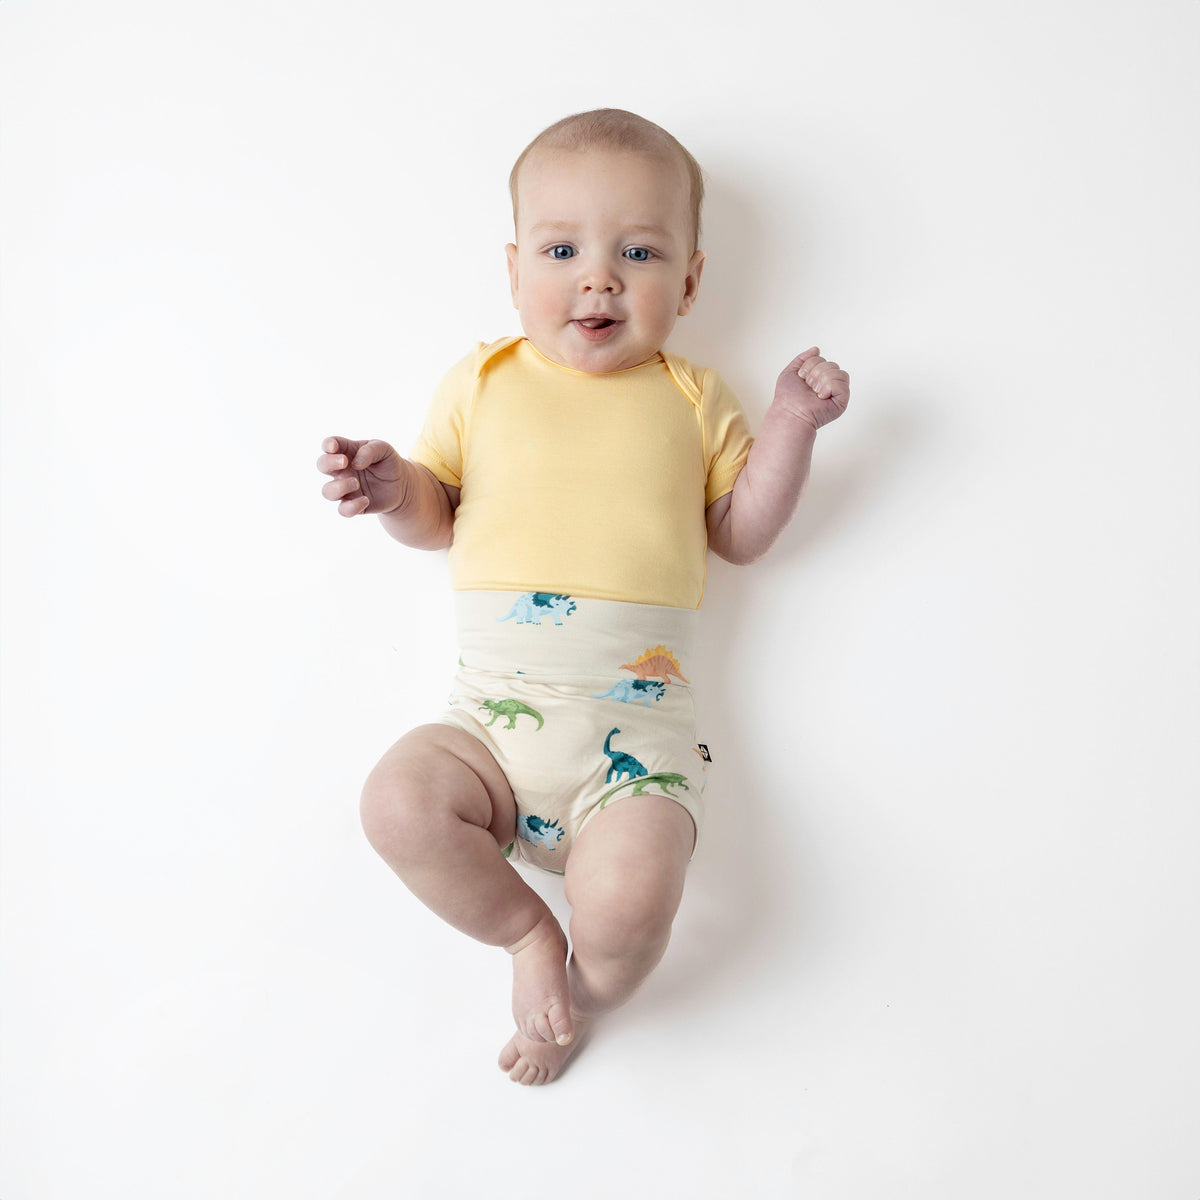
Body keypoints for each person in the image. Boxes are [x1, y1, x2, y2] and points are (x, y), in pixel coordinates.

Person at [316, 109, 850, 1085]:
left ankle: (583, 997)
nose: (598, 278)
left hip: (635, 747)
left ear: (689, 283)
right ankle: (528, 937)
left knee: (635, 907)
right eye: (562, 251)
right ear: (514, 270)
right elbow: (436, 516)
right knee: (396, 802)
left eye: (638, 253)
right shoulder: (482, 381)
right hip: (488, 725)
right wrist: (394, 489)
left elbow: (740, 534)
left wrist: (790, 425)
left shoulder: (693, 397)